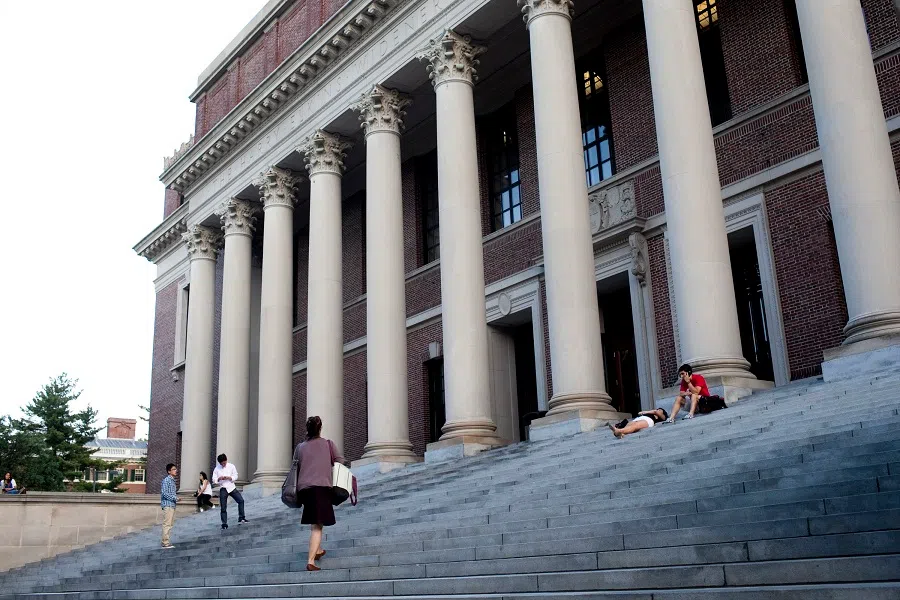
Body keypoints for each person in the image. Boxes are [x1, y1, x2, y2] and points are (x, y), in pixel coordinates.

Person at [292, 416, 343, 572]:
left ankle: (318, 549)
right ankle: (311, 560)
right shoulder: (328, 444)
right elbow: (340, 461)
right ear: (320, 428)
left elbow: (295, 464)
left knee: (316, 520)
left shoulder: (300, 447)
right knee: (317, 527)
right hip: (321, 488)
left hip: (304, 490)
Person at [212, 454, 247, 529]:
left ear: (226, 460)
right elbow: (214, 479)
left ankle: (241, 517)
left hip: (231, 487)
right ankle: (224, 523)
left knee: (241, 500)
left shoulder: (231, 466)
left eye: (224, 463)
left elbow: (236, 475)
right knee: (223, 507)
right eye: (222, 464)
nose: (223, 465)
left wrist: (230, 477)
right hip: (223, 488)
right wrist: (219, 479)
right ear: (219, 463)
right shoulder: (217, 469)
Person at [160, 463, 178, 549]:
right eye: (174, 469)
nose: (176, 470)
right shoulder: (167, 480)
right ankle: (165, 543)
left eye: (175, 469)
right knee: (167, 524)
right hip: (168, 504)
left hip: (172, 505)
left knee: (169, 524)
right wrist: (175, 498)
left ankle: (166, 542)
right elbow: (164, 493)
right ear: (169, 471)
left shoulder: (172, 480)